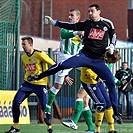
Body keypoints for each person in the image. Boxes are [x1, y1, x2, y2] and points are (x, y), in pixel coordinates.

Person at [28, 4, 123, 124]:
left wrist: (112, 45)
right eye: (88, 11)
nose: (89, 13)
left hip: (98, 61)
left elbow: (113, 35)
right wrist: (54, 23)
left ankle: (116, 113)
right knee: (62, 66)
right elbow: (69, 27)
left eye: (92, 11)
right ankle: (39, 77)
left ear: (99, 12)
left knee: (111, 83)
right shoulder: (85, 24)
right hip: (84, 57)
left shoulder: (107, 23)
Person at [62, 50, 121, 133]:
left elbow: (108, 75)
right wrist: (96, 77)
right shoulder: (96, 57)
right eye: (114, 61)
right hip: (89, 82)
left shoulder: (106, 61)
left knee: (107, 103)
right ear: (110, 58)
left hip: (97, 82)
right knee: (99, 104)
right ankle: (94, 129)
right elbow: (86, 69)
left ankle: (110, 129)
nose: (114, 63)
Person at [5, 36, 55, 133]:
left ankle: (49, 127)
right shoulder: (23, 57)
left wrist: (64, 76)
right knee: (16, 102)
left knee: (44, 106)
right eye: (22, 44)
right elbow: (26, 70)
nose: (22, 46)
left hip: (40, 85)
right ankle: (16, 127)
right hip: (27, 84)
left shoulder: (40, 54)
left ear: (30, 44)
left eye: (24, 44)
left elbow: (53, 64)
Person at [43, 8, 84, 125]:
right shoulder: (66, 27)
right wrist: (77, 33)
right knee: (57, 86)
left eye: (72, 15)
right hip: (65, 57)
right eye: (69, 15)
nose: (69, 17)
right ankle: (47, 109)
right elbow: (64, 34)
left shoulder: (82, 28)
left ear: (78, 18)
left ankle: (86, 91)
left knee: (90, 72)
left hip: (77, 57)